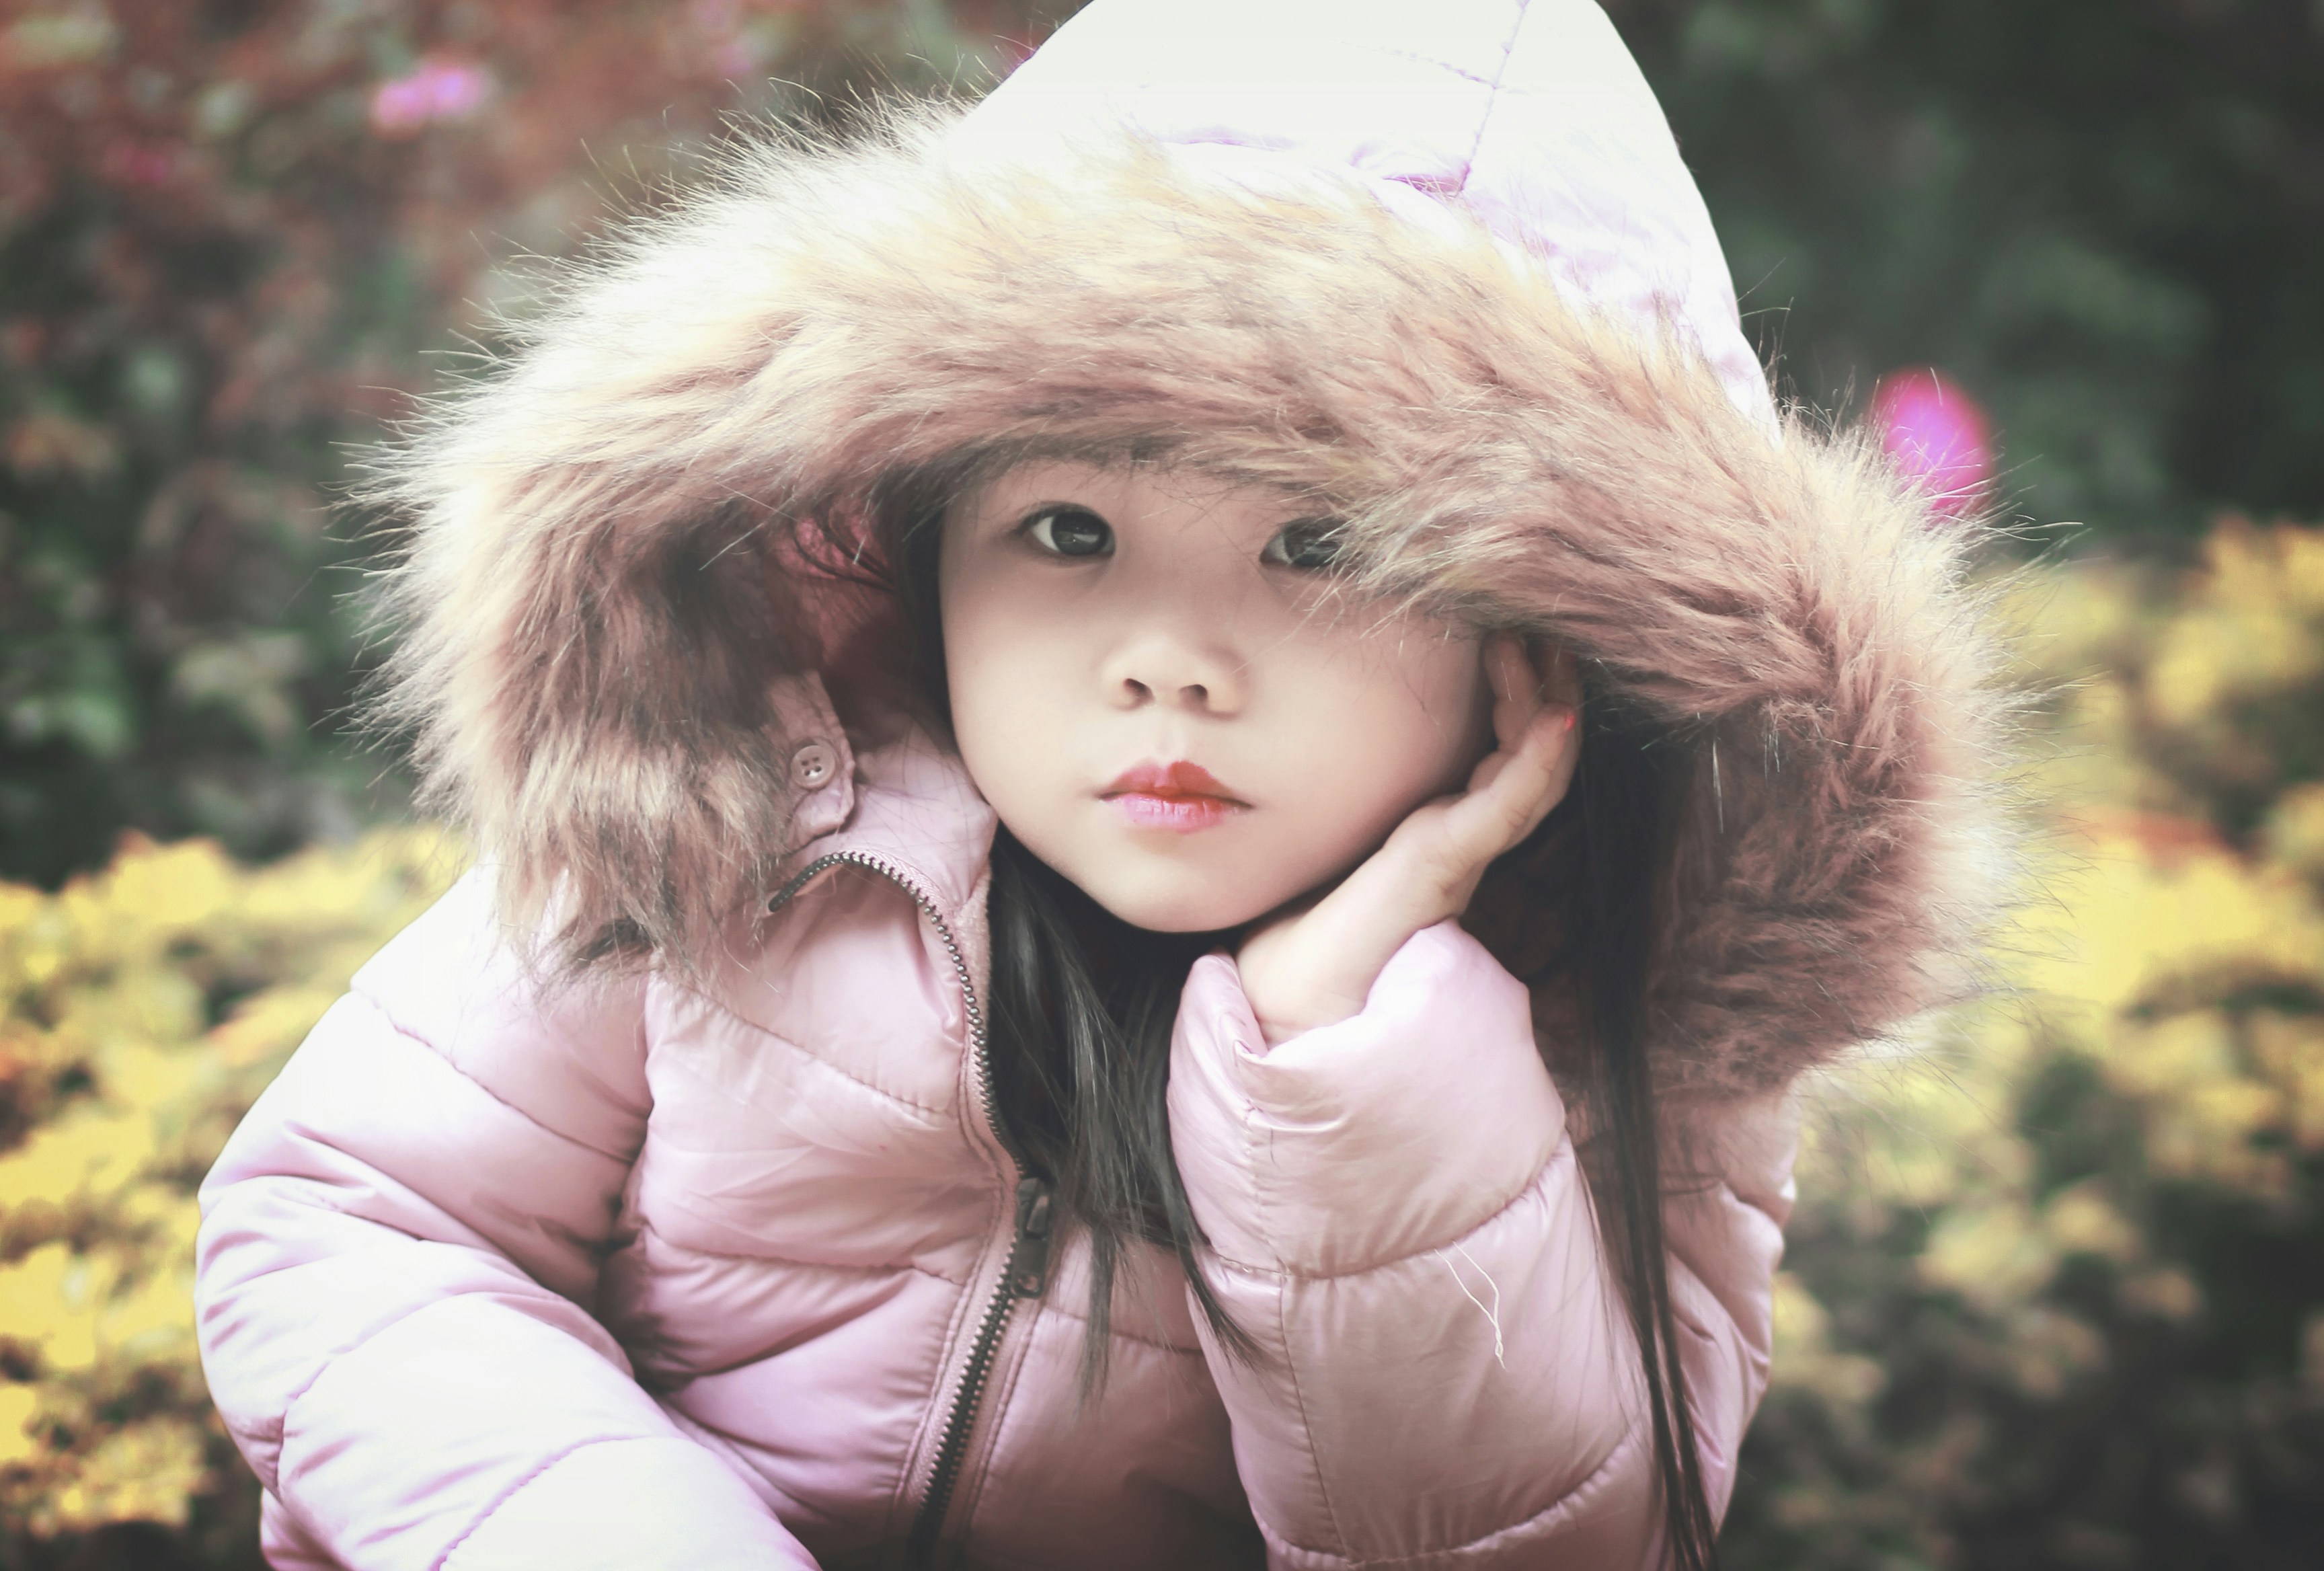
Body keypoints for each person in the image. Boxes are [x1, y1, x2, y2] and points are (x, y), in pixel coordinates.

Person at [192, 2, 2009, 1568]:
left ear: (1536, 630)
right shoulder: (734, 821)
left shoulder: (1621, 998)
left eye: (1319, 542)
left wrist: (1350, 1061)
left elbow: (1559, 1534)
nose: (1168, 658)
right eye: (1069, 527)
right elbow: (360, 1229)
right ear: (909, 546)